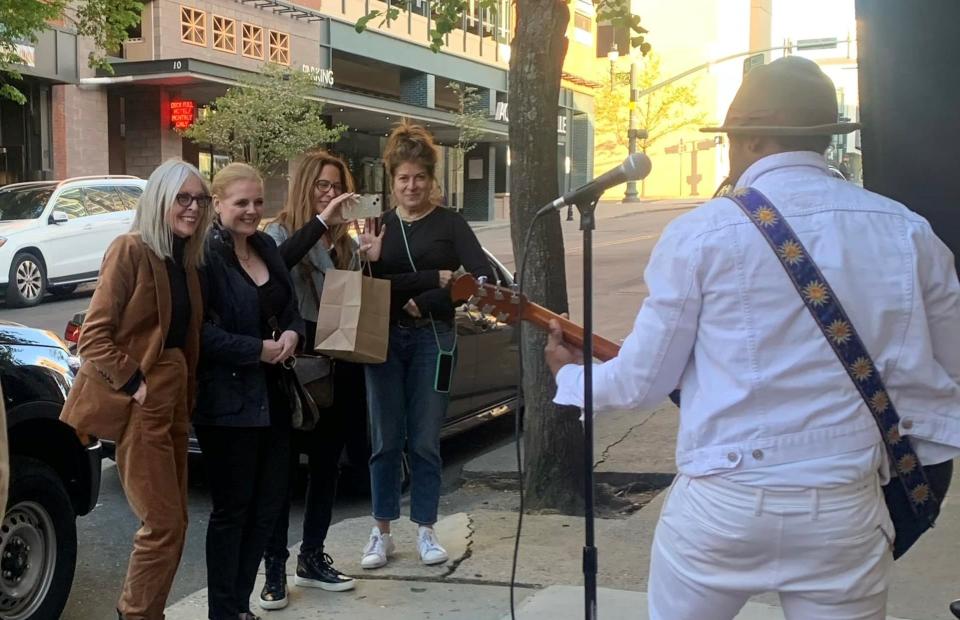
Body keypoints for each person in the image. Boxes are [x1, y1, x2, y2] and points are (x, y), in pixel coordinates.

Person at [545, 56, 960, 620]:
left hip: (722, 507)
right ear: (822, 137)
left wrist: (569, 376)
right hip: (843, 507)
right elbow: (950, 369)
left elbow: (641, 384)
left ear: (752, 140)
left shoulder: (701, 232)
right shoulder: (908, 231)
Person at [59, 159, 210, 620]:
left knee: (176, 524)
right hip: (143, 407)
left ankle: (147, 612)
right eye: (182, 198)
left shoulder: (185, 261)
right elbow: (94, 336)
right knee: (163, 524)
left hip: (176, 405)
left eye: (200, 200)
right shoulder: (130, 250)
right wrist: (136, 384)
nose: (193, 208)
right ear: (160, 200)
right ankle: (137, 614)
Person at [361, 121, 494, 569]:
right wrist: (422, 279)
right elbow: (366, 288)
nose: (412, 185)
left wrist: (433, 297)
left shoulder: (450, 224)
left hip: (433, 341)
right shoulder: (378, 227)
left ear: (431, 180)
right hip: (383, 340)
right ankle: (381, 532)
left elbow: (480, 279)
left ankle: (425, 528)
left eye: (419, 177)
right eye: (403, 178)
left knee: (423, 439)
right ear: (392, 181)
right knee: (384, 440)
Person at [259, 151, 383, 608]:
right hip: (294, 370)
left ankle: (311, 557)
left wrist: (372, 260)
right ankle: (273, 568)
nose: (330, 195)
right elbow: (274, 270)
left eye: (337, 187)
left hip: (337, 368)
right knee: (281, 473)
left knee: (328, 467)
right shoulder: (279, 231)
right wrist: (318, 222)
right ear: (305, 188)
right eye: (322, 186)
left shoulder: (346, 245)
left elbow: (355, 309)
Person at [193, 162, 305, 620]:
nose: (252, 211)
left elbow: (291, 308)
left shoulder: (265, 245)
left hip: (276, 397)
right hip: (229, 402)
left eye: (258, 202)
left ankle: (239, 605)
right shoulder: (203, 256)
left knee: (268, 507)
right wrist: (255, 350)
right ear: (217, 204)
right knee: (232, 511)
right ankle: (224, 610)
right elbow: (198, 334)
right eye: (241, 203)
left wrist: (295, 334)